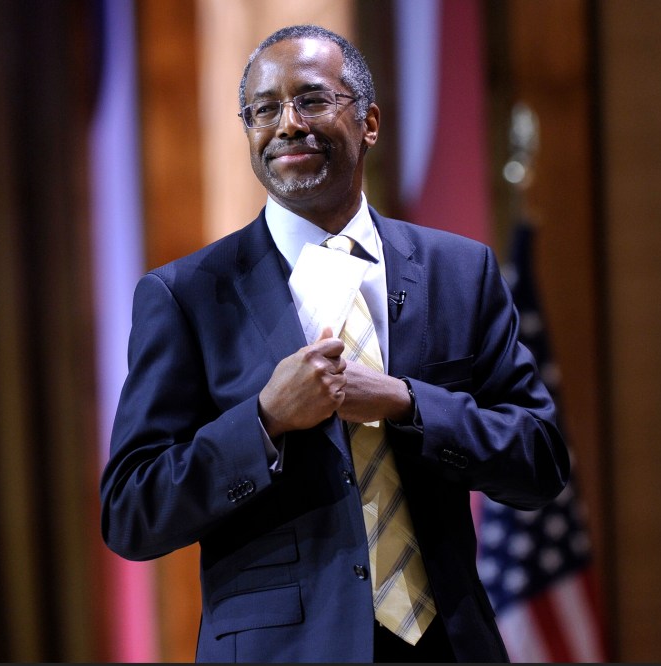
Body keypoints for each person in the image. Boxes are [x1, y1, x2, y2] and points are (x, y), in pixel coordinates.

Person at [100, 24, 569, 663]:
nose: (287, 123)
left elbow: (540, 462)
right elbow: (133, 509)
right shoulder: (186, 295)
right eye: (265, 109)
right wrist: (264, 421)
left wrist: (407, 402)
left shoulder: (462, 272)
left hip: (447, 646)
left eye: (312, 100)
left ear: (368, 122)